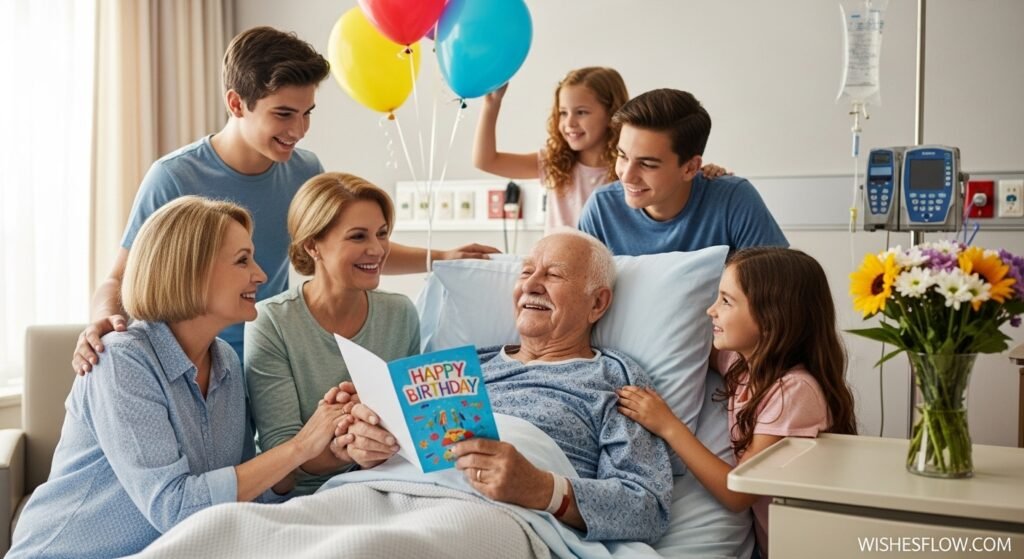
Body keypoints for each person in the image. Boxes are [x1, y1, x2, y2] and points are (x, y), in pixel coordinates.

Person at [73, 26, 496, 372]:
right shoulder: (174, 176)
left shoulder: (304, 169)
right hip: (187, 364)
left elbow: (345, 246)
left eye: (307, 112)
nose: (299, 129)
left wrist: (440, 256)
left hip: (268, 351)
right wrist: (104, 321)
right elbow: (120, 279)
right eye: (284, 114)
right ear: (237, 104)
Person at [7, 197, 353, 559]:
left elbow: (239, 492)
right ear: (189, 271)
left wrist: (320, 452)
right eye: (242, 260)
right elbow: (174, 509)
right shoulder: (122, 361)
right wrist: (298, 447)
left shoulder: (226, 363)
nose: (261, 275)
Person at [321, 229, 673, 543]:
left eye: (553, 275)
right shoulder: (456, 368)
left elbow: (647, 507)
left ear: (597, 303)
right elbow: (403, 448)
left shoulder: (613, 380)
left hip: (489, 514)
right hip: (379, 492)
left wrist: (544, 490)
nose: (531, 284)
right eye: (525, 272)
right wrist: (366, 449)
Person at [616, 247, 858, 557]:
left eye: (726, 301)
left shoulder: (794, 392)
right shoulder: (742, 365)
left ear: (771, 319)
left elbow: (737, 493)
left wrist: (668, 426)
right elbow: (684, 345)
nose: (711, 311)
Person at [245, 172, 413, 495]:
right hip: (305, 497)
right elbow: (282, 470)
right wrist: (347, 443)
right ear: (312, 246)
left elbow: (409, 430)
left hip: (388, 487)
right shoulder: (271, 323)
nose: (377, 249)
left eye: (382, 234)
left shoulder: (401, 314)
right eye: (358, 237)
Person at [473, 68, 729, 232]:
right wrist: (491, 105)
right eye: (563, 113)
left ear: (611, 114)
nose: (569, 123)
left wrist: (705, 173)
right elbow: (486, 160)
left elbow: (675, 175)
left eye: (581, 112)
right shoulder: (554, 162)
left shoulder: (629, 172)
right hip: (559, 267)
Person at [578, 88, 788, 255]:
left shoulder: (734, 200)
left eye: (647, 164)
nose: (626, 175)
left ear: (690, 168)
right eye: (622, 156)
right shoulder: (601, 209)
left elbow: (775, 293)